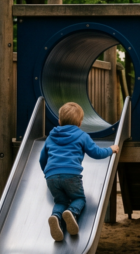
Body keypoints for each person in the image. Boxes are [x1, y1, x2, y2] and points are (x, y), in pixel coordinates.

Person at [41, 102, 119, 241]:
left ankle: (56, 217)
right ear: (80, 123)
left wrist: (47, 173)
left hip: (51, 176)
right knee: (79, 198)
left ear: (59, 121)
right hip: (71, 175)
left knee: (60, 201)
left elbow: (42, 159)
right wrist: (110, 149)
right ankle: (71, 212)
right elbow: (96, 153)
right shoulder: (82, 135)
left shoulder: (50, 137)